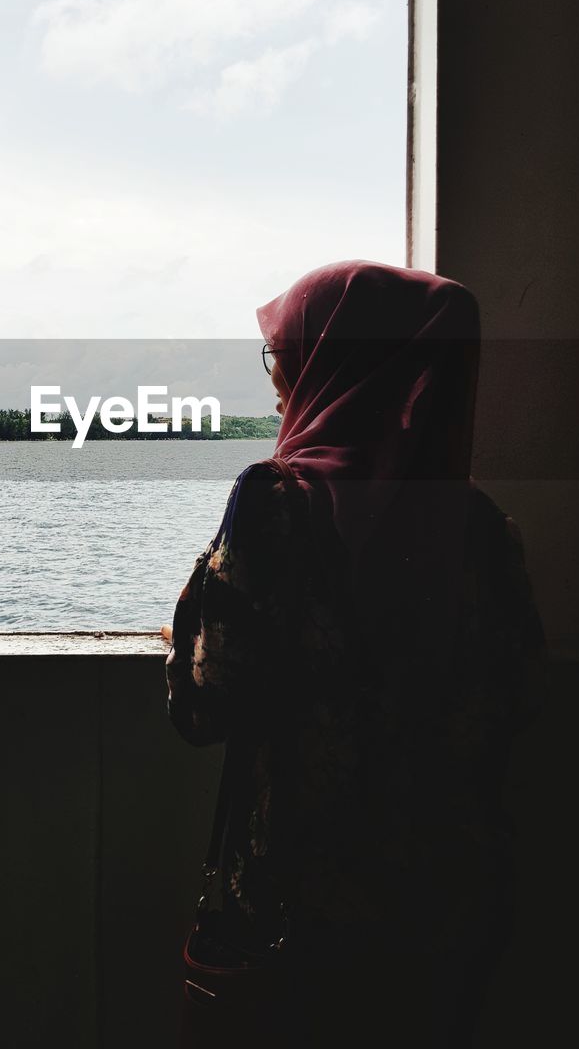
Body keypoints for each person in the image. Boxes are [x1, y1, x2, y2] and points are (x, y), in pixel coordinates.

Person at [164, 260, 546, 1048]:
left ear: (332, 363)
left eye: (284, 353)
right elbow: (517, 701)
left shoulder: (275, 503)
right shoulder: (482, 528)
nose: (277, 376)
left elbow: (202, 706)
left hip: (300, 911)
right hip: (453, 906)